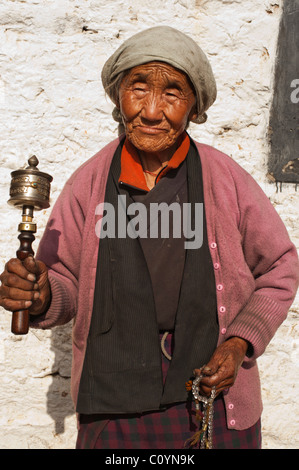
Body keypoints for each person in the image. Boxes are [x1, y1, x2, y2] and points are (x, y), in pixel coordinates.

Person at [0, 26, 298, 450]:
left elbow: (280, 267)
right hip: (114, 396)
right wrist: (41, 295)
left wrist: (239, 343)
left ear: (194, 107)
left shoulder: (225, 179)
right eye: (138, 88)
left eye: (172, 93)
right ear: (117, 97)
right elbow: (64, 282)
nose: (153, 111)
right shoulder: (89, 183)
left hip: (210, 389)